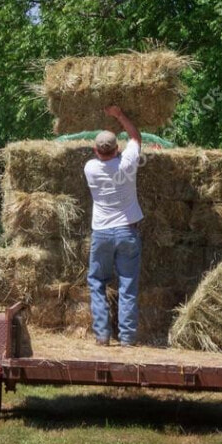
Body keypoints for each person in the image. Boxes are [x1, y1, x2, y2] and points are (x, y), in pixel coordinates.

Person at [84, 106, 143, 347]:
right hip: (128, 230)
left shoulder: (90, 168)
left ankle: (102, 335)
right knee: (128, 284)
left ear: (95, 150)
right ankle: (127, 339)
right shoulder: (127, 163)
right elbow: (135, 137)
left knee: (98, 282)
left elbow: (109, 147)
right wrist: (119, 115)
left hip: (102, 233)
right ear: (117, 149)